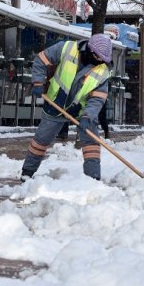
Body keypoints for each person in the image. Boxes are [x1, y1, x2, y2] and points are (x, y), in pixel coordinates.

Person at [21, 34, 112, 182]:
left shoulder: (103, 71)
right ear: (89, 50)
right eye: (98, 57)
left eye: (103, 58)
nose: (100, 61)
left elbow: (97, 99)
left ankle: (93, 180)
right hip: (56, 103)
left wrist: (88, 116)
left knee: (91, 143)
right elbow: (41, 59)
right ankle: (27, 173)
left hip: (81, 110)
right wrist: (38, 81)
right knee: (41, 140)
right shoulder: (66, 48)